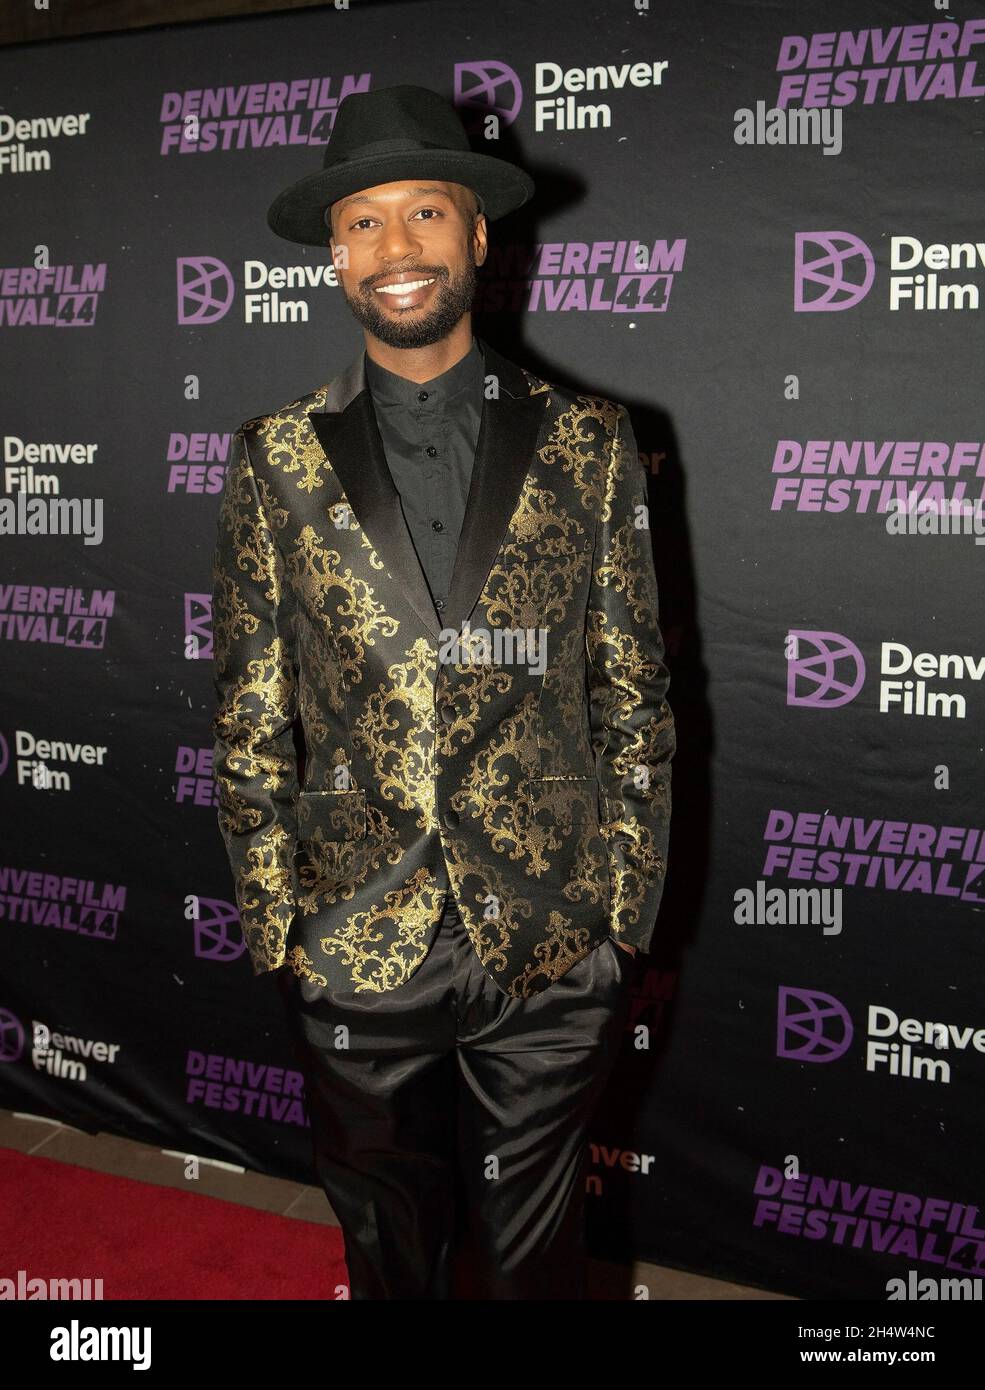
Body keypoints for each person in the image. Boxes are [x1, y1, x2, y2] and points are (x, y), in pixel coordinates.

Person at [210, 83, 675, 1300]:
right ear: (332, 254)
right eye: (362, 222)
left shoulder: (590, 440)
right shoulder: (272, 453)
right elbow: (249, 710)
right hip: (355, 941)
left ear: (479, 235)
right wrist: (282, 930)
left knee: (537, 1267)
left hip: (549, 942)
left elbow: (635, 690)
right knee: (388, 1253)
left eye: (425, 212)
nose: (395, 247)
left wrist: (618, 920)